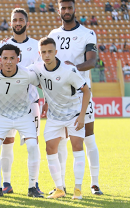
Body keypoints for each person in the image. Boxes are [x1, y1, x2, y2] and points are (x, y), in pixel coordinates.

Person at [47, 0, 103, 196]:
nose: (66, 11)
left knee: (88, 138)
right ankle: (59, 186)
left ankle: (94, 183)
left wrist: (74, 68)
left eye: (69, 7)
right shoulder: (53, 34)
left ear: (74, 8)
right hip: (59, 97)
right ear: (58, 10)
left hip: (82, 95)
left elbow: (92, 61)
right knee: (60, 141)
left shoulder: (88, 33)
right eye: (63, 8)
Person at [0, 44, 43, 199]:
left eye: (12, 58)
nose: (8, 61)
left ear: (18, 59)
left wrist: (49, 101)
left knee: (32, 146)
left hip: (24, 116)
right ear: (0, 59)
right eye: (5, 58)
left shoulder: (27, 74)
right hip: (2, 116)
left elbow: (45, 85)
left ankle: (32, 187)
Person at [0, 8, 41, 195]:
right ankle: (6, 183)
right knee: (7, 141)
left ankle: (34, 184)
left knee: (33, 143)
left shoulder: (37, 45)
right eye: (15, 20)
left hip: (30, 102)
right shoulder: (1, 47)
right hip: (7, 104)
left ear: (26, 23)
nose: (18, 23)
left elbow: (42, 72)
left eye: (21, 19)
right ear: (11, 23)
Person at [36, 37, 91, 199]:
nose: (47, 55)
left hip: (74, 114)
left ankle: (78, 189)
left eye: (50, 52)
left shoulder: (69, 71)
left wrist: (82, 116)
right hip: (54, 116)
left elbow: (87, 91)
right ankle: (59, 189)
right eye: (44, 52)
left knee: (77, 147)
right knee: (50, 149)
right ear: (39, 53)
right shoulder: (38, 68)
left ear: (56, 52)